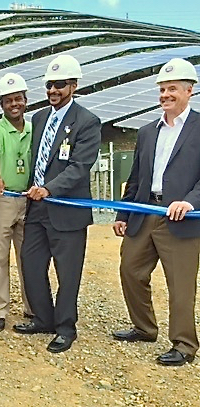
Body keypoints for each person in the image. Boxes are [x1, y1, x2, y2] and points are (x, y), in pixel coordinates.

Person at [112, 58, 200, 366]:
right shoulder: (147, 131)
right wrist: (123, 214)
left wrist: (190, 201)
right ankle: (144, 327)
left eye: (172, 88)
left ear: (190, 90)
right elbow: (136, 177)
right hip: (145, 211)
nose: (165, 94)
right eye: (162, 89)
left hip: (182, 217)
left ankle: (185, 344)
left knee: (180, 284)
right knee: (130, 270)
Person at [12, 55, 101, 353]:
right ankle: (43, 318)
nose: (53, 90)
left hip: (67, 211)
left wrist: (48, 189)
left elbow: (79, 167)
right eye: (49, 85)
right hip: (37, 209)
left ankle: (65, 327)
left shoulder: (87, 122)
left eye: (60, 85)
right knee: (32, 264)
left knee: (67, 273)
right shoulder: (38, 119)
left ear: (74, 85)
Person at [0, 73, 33, 332]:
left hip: (28, 199)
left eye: (18, 99)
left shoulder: (34, 128)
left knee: (28, 256)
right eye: (8, 100)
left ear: (25, 100)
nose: (14, 104)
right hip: (1, 199)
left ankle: (32, 306)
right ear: (1, 104)